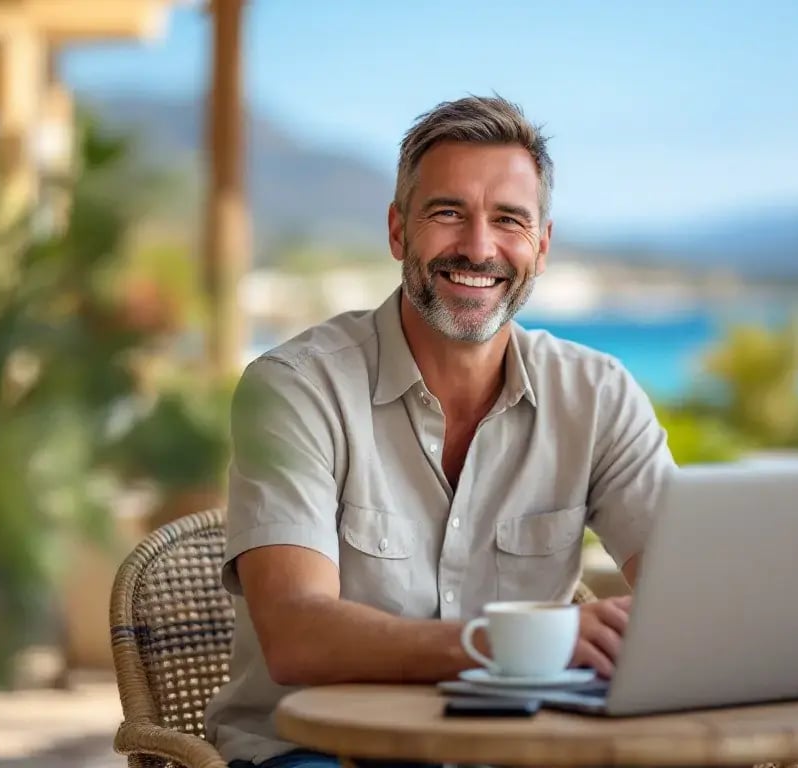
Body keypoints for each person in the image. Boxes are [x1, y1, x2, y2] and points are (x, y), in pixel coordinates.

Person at [204, 95, 679, 768]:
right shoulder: (296, 388)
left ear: (540, 248)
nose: (479, 248)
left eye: (508, 220)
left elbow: (689, 596)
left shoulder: (598, 397)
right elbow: (296, 635)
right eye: (448, 213)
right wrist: (522, 643)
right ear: (399, 232)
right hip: (315, 752)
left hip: (514, 752)